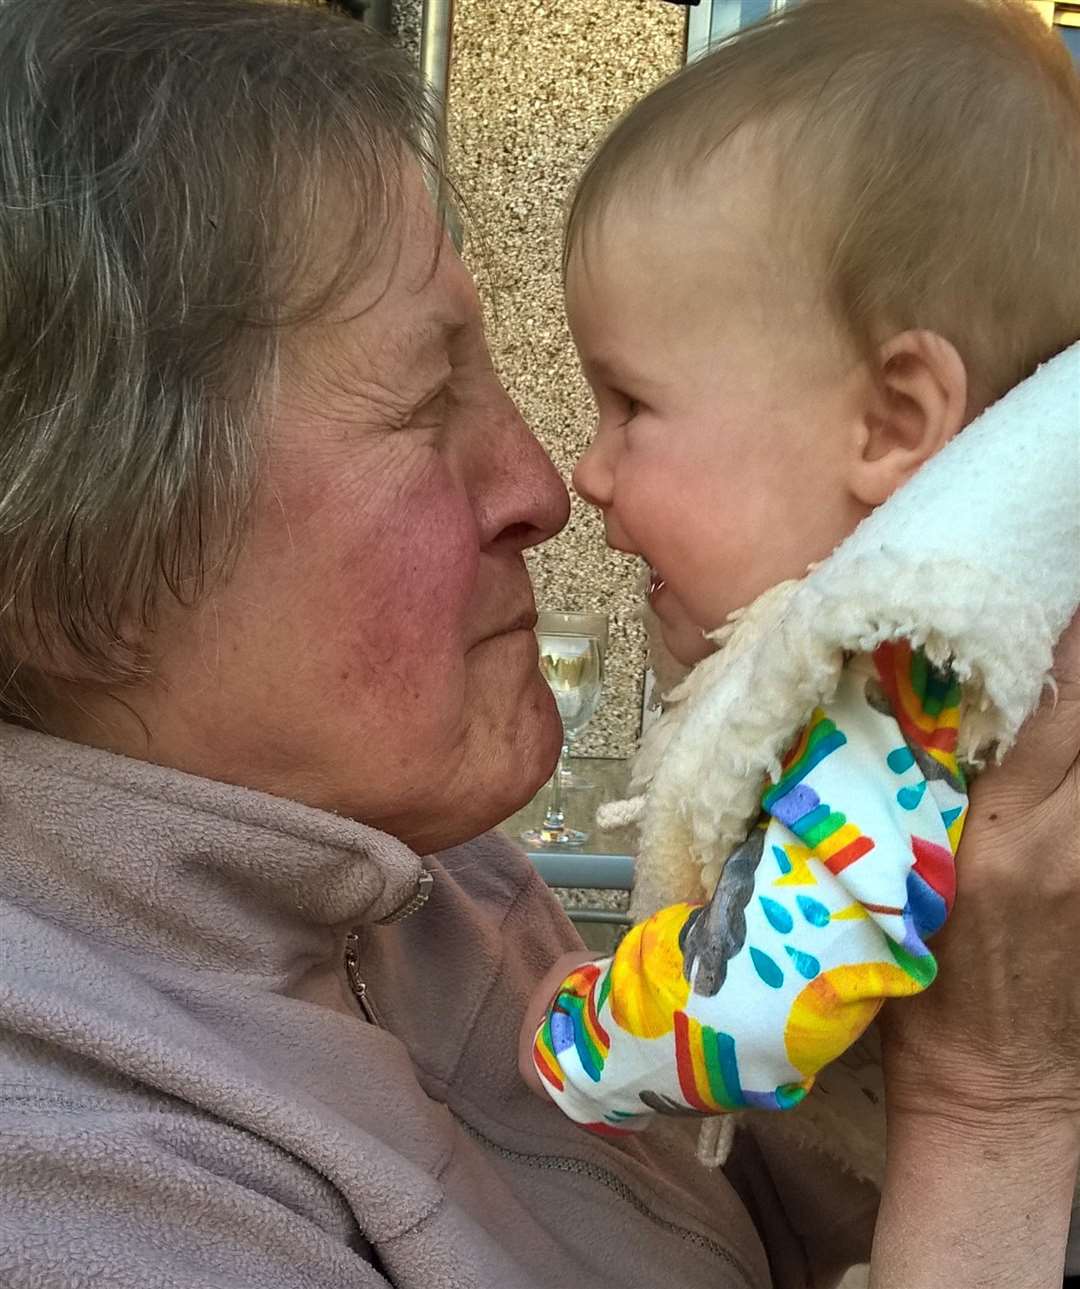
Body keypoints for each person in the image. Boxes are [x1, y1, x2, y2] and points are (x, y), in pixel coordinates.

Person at [0, 2, 1076, 1288]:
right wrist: (994, 1105)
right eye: (422, 404)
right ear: (85, 574)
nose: (545, 488)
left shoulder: (438, 883)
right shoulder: (71, 1181)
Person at [517, 0, 1080, 1274]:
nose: (587, 474)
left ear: (892, 420)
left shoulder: (911, 660)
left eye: (630, 403)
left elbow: (767, 1005)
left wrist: (581, 1034)